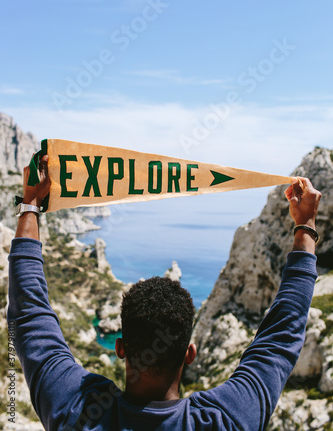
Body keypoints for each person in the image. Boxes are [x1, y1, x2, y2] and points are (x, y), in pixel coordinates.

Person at [7, 155, 321, 431]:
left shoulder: (77, 413)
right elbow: (280, 340)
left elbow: (31, 320)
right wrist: (305, 226)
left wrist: (30, 205)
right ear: (190, 354)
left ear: (120, 348)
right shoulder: (225, 420)